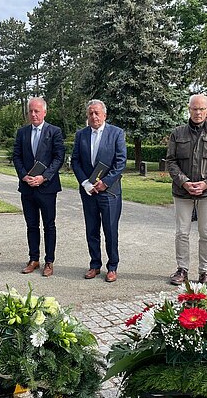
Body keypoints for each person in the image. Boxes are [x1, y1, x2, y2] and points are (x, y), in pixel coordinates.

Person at [166, 94, 207, 289]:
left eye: (202, 109)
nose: (198, 112)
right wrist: (184, 182)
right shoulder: (178, 133)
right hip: (182, 191)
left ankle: (204, 272)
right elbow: (171, 161)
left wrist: (206, 183)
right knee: (182, 232)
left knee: (206, 233)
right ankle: (182, 269)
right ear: (189, 109)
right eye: (195, 108)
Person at [71, 100, 127, 283]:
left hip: (109, 193)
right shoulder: (81, 135)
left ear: (104, 115)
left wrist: (105, 182)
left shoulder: (116, 133)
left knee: (110, 231)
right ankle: (95, 264)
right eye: (90, 114)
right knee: (92, 230)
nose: (93, 117)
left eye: (96, 113)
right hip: (89, 192)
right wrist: (85, 183)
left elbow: (120, 162)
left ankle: (112, 267)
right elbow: (76, 162)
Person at [13, 97, 65, 277]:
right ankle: (33, 259)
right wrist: (23, 175)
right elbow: (17, 156)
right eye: (31, 111)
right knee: (31, 225)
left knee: (49, 225)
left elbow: (59, 158)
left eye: (37, 111)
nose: (33, 114)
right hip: (27, 188)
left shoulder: (55, 132)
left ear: (44, 112)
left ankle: (49, 261)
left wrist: (44, 177)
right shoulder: (22, 132)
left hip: (47, 188)